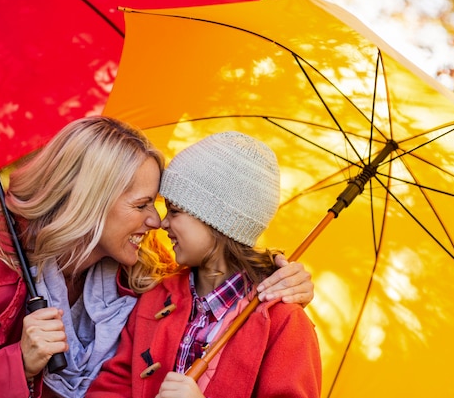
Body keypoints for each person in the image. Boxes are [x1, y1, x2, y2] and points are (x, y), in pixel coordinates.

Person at [0, 117, 314, 398]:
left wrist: (280, 274)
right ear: (93, 202)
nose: (156, 222)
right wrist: (17, 362)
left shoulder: (144, 270)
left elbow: (225, 273)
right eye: (144, 204)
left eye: (169, 209)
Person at [87, 131, 322, 398]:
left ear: (218, 223)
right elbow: (113, 385)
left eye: (175, 211)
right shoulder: (156, 297)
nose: (162, 223)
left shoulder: (284, 324)